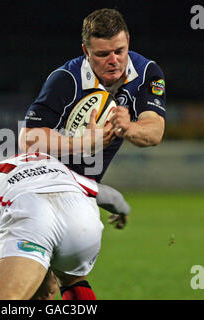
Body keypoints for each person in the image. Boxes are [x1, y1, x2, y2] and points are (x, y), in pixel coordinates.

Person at [19, 8, 166, 228]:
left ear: (128, 41)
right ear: (86, 51)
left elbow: (154, 132)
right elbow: (27, 140)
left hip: (85, 189)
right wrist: (83, 144)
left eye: (120, 50)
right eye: (102, 54)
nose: (113, 60)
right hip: (41, 184)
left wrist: (128, 127)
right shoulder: (66, 79)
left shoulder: (147, 73)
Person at [0, 152, 103, 300]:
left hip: (35, 217)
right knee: (59, 285)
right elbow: (106, 195)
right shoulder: (16, 170)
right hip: (85, 218)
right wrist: (120, 209)